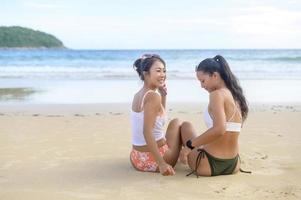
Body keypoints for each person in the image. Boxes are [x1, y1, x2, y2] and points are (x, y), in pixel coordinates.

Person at [180, 55, 250, 177]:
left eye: (203, 81)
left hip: (209, 164)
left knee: (185, 126)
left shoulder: (216, 95)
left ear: (215, 75)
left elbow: (220, 129)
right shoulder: (236, 96)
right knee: (198, 138)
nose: (202, 86)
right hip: (233, 164)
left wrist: (189, 146)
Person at [130, 54, 182, 176]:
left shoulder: (138, 95)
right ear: (146, 74)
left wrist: (163, 95)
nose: (163, 74)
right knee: (178, 123)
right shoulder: (153, 96)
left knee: (175, 124)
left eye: (164, 71)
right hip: (153, 160)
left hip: (136, 158)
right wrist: (162, 163)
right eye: (158, 71)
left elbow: (158, 117)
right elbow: (147, 131)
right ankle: (192, 154)